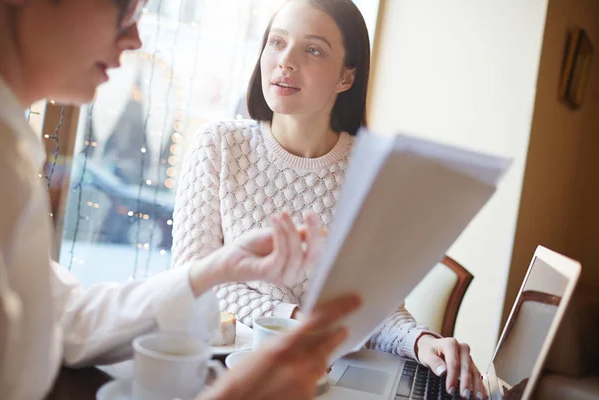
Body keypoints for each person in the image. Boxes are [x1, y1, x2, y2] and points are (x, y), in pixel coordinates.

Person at [0, 0, 359, 399]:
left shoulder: (12, 145)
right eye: (122, 6)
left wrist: (215, 270)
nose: (135, 36)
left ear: (347, 77)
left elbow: (68, 320)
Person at [172, 0, 486, 398]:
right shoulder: (219, 145)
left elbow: (374, 310)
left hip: (325, 382)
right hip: (226, 376)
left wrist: (422, 342)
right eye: (277, 42)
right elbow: (194, 282)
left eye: (313, 49)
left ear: (346, 77)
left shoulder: (372, 174)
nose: (285, 61)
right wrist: (294, 319)